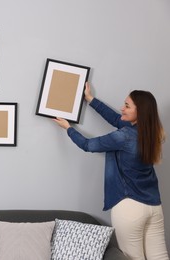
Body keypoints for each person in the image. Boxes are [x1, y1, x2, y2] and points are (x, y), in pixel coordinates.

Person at [53, 82, 169, 260]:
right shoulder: (152, 134)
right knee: (159, 257)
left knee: (132, 258)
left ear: (140, 112)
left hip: (129, 207)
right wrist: (90, 100)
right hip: (154, 206)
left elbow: (88, 145)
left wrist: (68, 128)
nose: (122, 108)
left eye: (127, 106)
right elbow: (117, 119)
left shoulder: (123, 137)